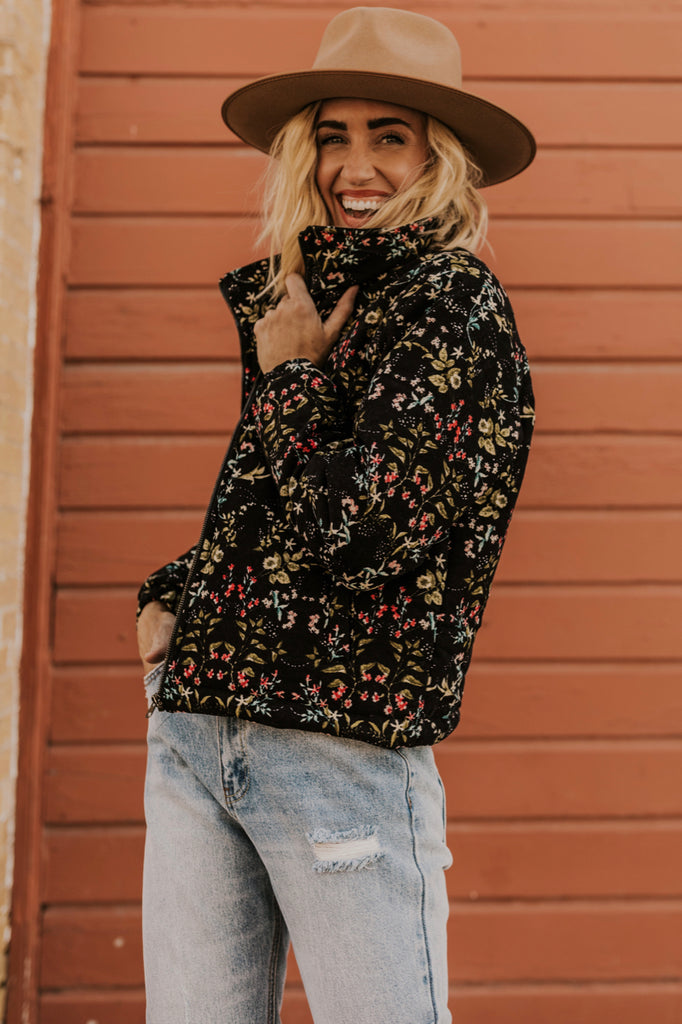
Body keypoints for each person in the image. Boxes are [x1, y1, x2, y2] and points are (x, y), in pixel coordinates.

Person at [135, 8, 535, 1023]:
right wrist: (174, 599)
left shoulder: (453, 305)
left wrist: (290, 377)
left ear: (438, 157)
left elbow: (361, 534)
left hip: (338, 742)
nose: (355, 167)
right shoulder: (311, 294)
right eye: (331, 136)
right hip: (200, 722)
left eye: (389, 136)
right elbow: (277, 508)